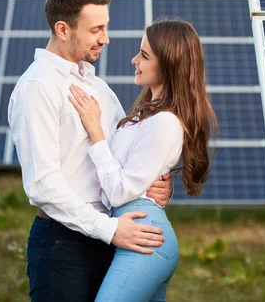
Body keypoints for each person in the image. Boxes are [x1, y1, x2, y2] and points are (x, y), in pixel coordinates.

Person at [8, 0, 174, 302]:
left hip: (110, 238)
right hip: (63, 244)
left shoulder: (99, 89)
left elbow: (119, 156)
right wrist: (109, 230)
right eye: (96, 30)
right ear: (63, 29)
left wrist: (154, 181)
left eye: (105, 27)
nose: (106, 39)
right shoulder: (37, 88)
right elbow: (42, 184)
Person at [67, 18, 217, 301]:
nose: (135, 60)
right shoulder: (144, 116)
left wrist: (95, 130)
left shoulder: (165, 123)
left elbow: (119, 191)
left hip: (146, 240)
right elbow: (133, 173)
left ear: (169, 65)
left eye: (145, 55)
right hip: (135, 234)